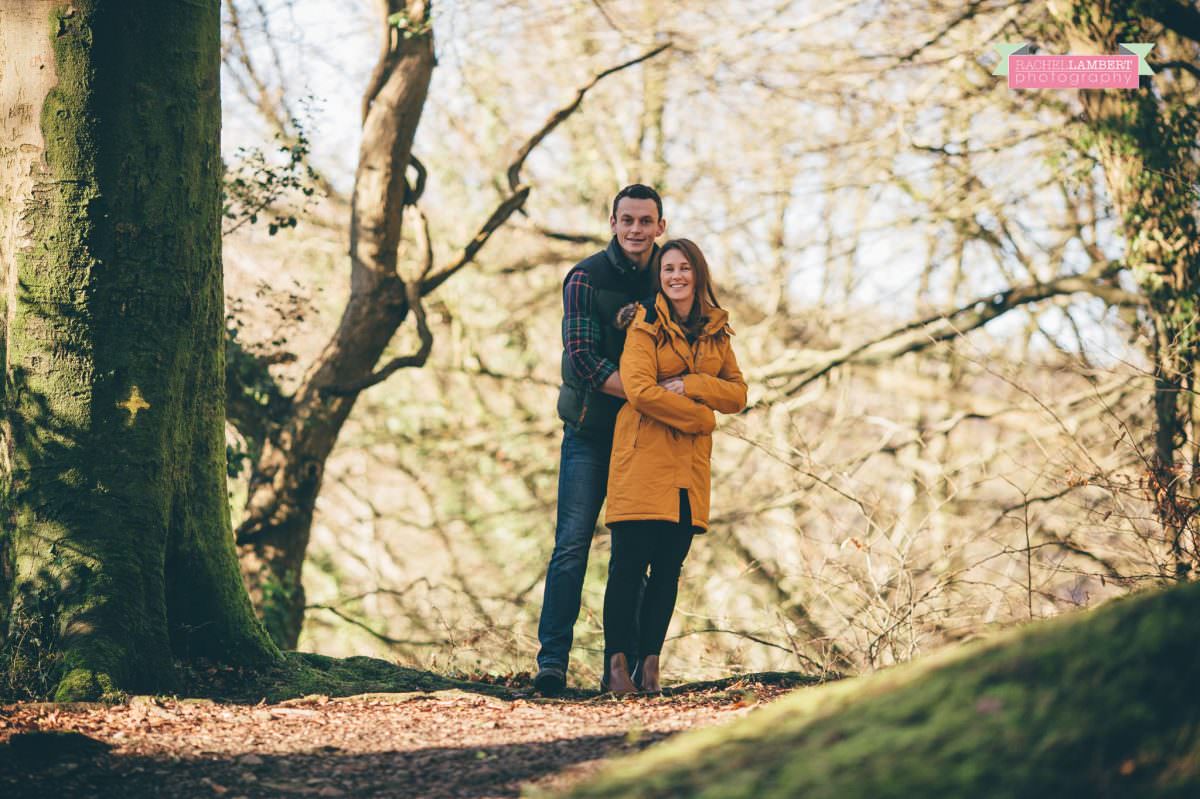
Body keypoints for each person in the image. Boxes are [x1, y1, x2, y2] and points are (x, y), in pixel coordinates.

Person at [533, 184, 668, 695]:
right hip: (590, 433)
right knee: (571, 546)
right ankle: (552, 663)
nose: (636, 229)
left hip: (648, 440)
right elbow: (583, 360)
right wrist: (646, 394)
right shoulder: (585, 277)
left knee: (634, 553)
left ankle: (629, 667)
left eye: (645, 220)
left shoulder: (672, 274)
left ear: (661, 225)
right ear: (612, 222)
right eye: (627, 219)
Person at [601, 238, 747, 693]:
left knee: (667, 572)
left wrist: (693, 382)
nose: (676, 276)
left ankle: (650, 665)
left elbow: (738, 394)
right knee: (628, 567)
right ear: (659, 277)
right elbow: (640, 389)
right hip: (643, 460)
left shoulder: (717, 331)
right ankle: (616, 666)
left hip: (687, 472)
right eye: (668, 269)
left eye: (684, 268)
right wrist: (701, 415)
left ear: (698, 274)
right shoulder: (644, 323)